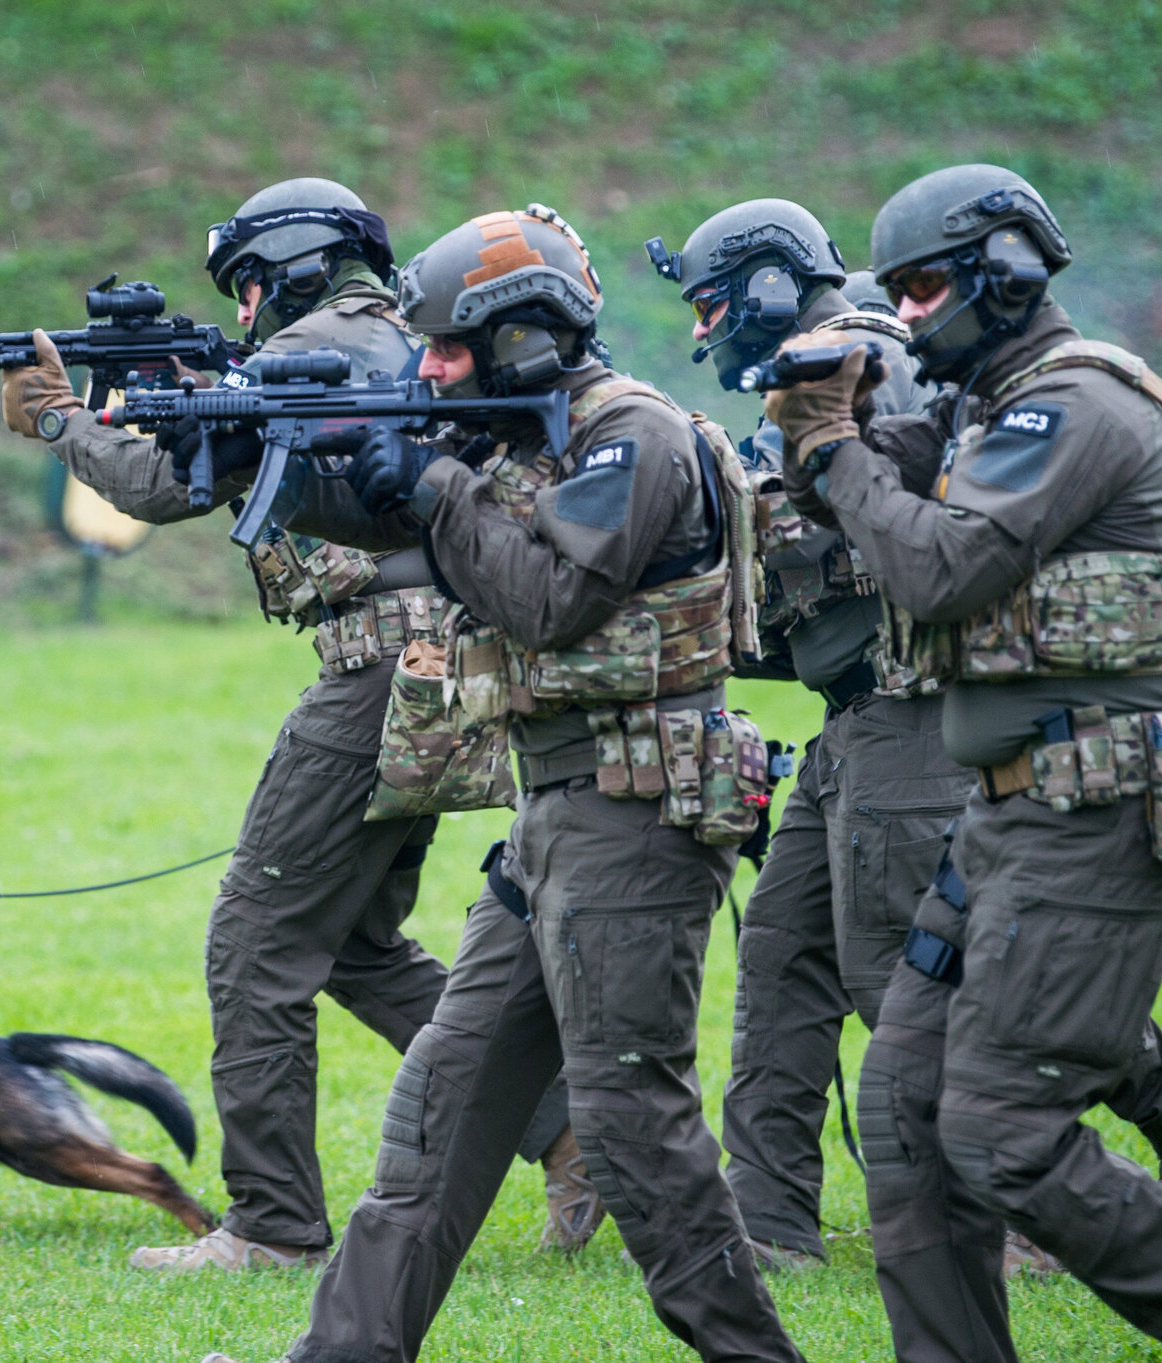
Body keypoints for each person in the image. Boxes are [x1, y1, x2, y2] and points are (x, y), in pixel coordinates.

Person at [764, 162, 1162, 1363]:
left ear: (1006, 268)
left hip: (1096, 805)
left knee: (999, 1127)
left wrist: (834, 446)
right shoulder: (991, 407)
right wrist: (817, 424)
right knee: (904, 1105)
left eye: (927, 287)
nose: (911, 314)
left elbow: (935, 568)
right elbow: (854, 491)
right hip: (1012, 810)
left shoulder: (1071, 408)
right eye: (898, 293)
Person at [208, 204, 807, 1363]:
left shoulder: (630, 437)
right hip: (555, 820)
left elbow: (544, 600)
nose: (425, 365)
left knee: (636, 1129)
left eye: (444, 346)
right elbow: (412, 524)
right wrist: (262, 450)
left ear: (520, 337)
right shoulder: (520, 442)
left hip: (635, 814)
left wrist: (429, 483)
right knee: (441, 1110)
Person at [656, 201, 1162, 1278]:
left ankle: (1109, 1166)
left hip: (905, 713)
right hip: (850, 711)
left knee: (910, 978)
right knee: (780, 957)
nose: (707, 329)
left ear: (762, 283)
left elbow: (912, 529)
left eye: (714, 303)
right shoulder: (824, 369)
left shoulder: (866, 360)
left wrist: (755, 525)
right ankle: (767, 1230)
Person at [0, 178, 596, 1272]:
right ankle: (568, 1135)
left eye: (246, 288)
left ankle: (272, 1224)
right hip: (457, 662)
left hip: (382, 667)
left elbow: (165, 485)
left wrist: (56, 417)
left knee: (254, 937)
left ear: (288, 269)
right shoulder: (417, 340)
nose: (241, 316)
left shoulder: (307, 350)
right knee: (357, 948)